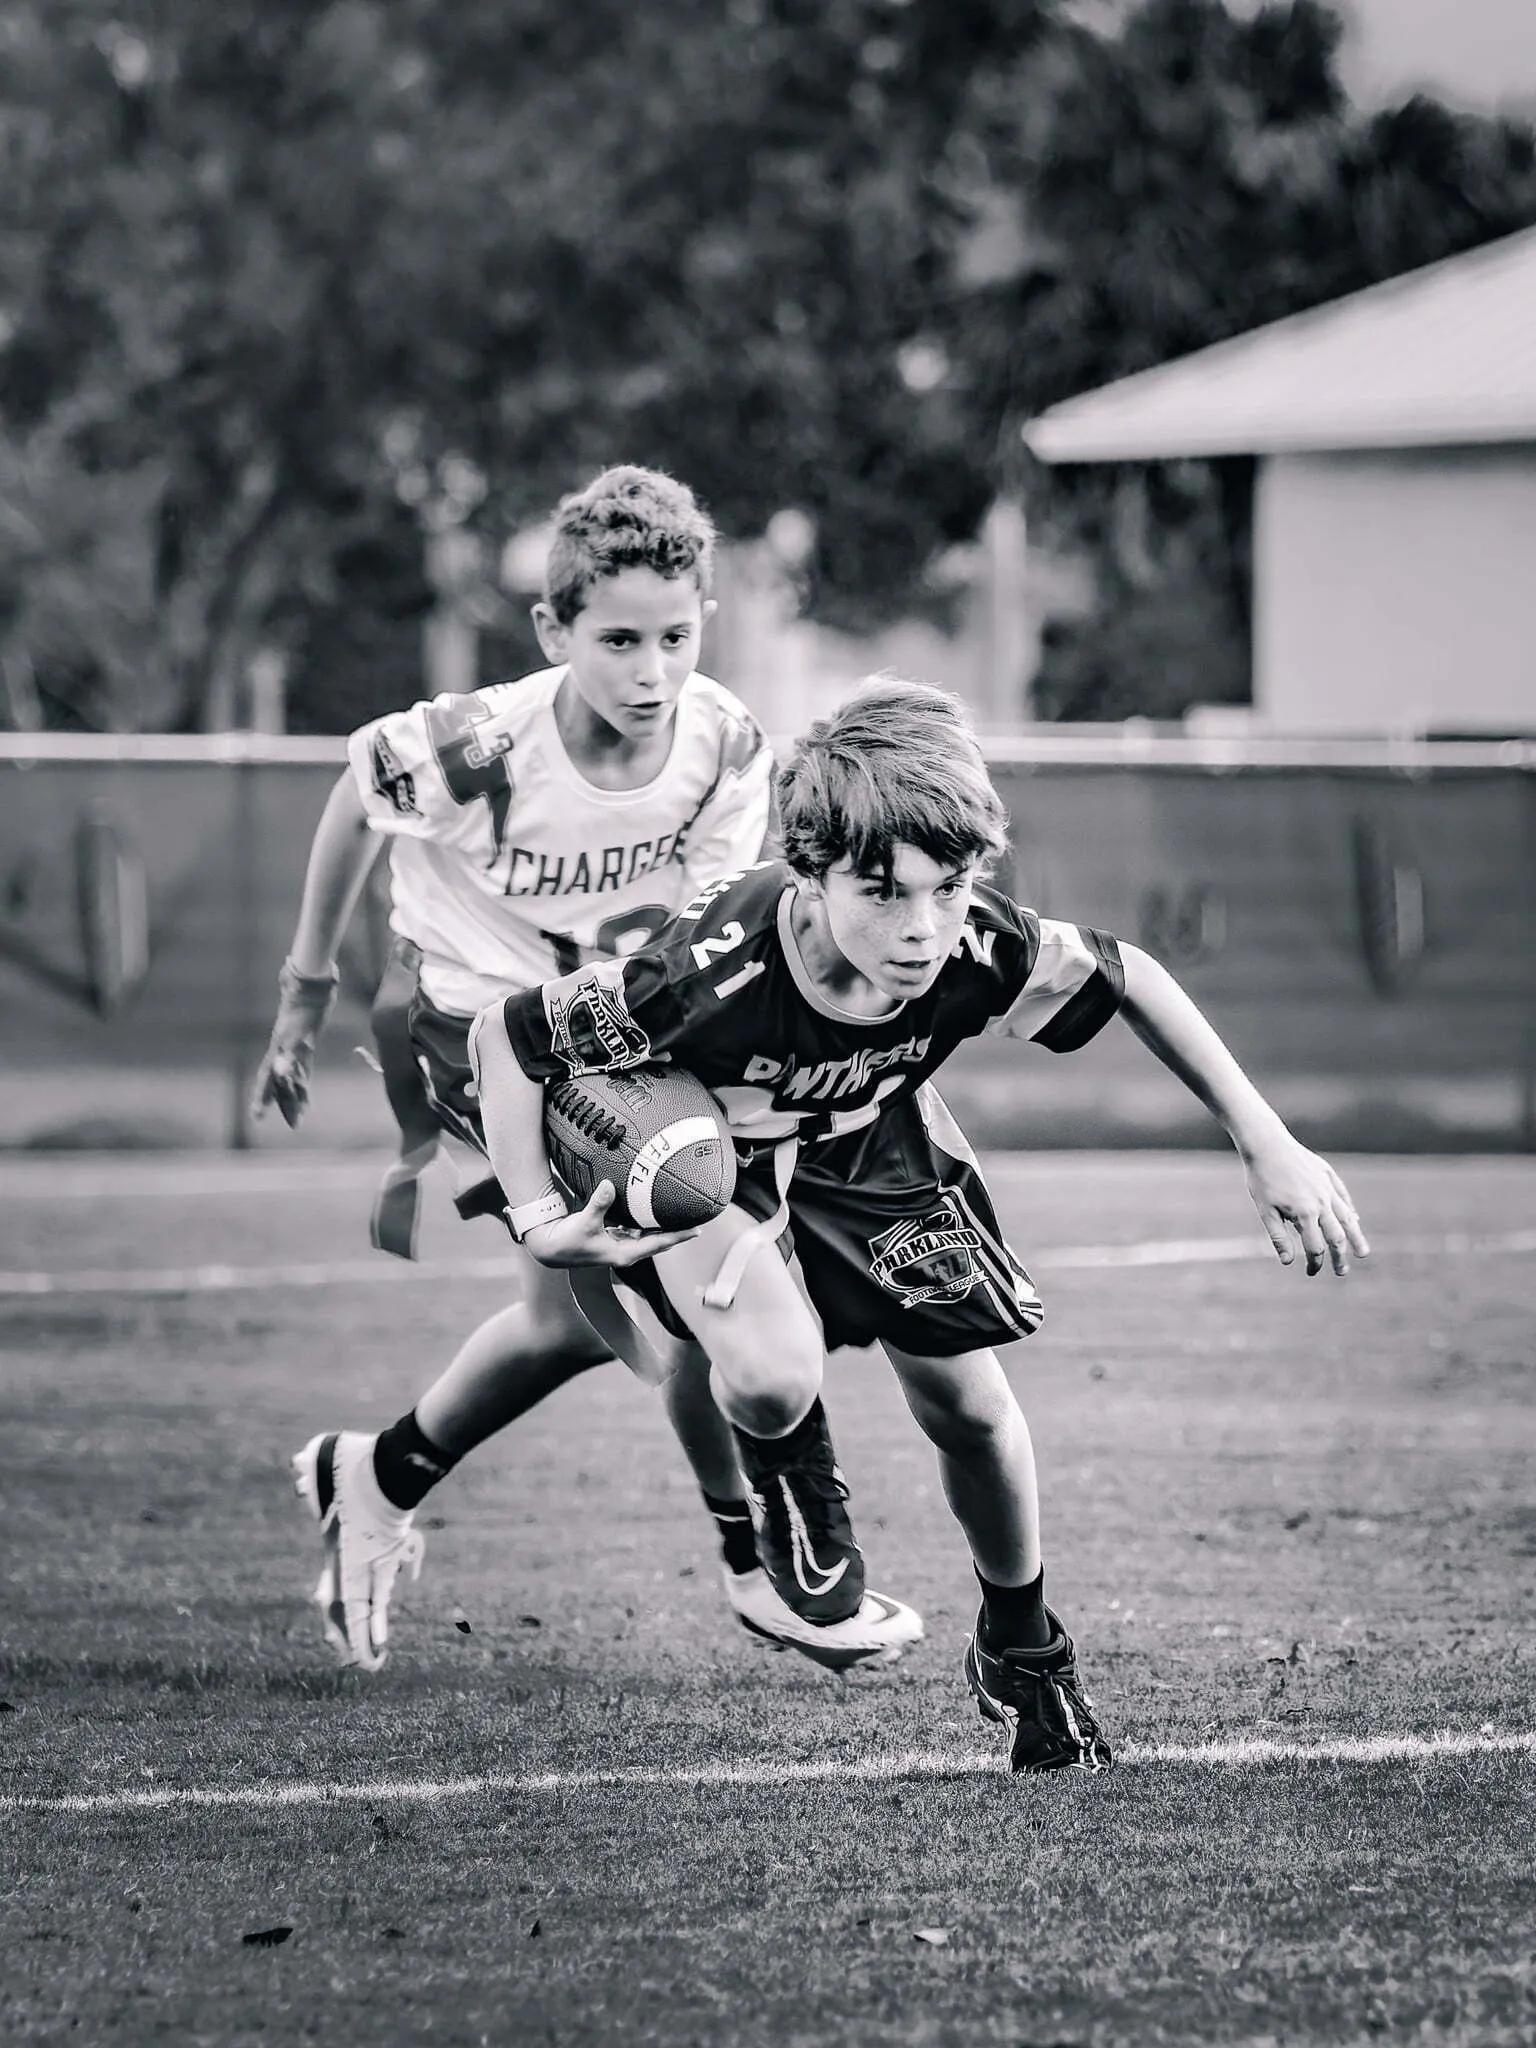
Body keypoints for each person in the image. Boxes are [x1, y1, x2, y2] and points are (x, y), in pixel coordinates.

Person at [468, 678, 1370, 1774]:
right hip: (712, 1153)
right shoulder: (710, 971)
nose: (922, 927)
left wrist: (1265, 1140)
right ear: (809, 869)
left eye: (948, 888)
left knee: (976, 1413)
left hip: (874, 1139)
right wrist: (534, 1216)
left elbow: (1133, 973)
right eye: (882, 892)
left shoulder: (976, 945)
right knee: (769, 1366)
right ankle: (799, 1508)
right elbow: (509, 1036)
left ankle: (1024, 1647)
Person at [251, 466, 922, 1675]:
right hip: (479, 1034)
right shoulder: (479, 745)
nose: (651, 669)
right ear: (555, 631)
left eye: (676, 633)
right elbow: (356, 803)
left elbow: (706, 922)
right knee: (688, 1270)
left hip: (620, 1036)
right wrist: (303, 994)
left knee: (562, 1323)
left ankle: (378, 1473)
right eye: (618, 639)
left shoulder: (723, 739)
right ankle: (759, 1567)